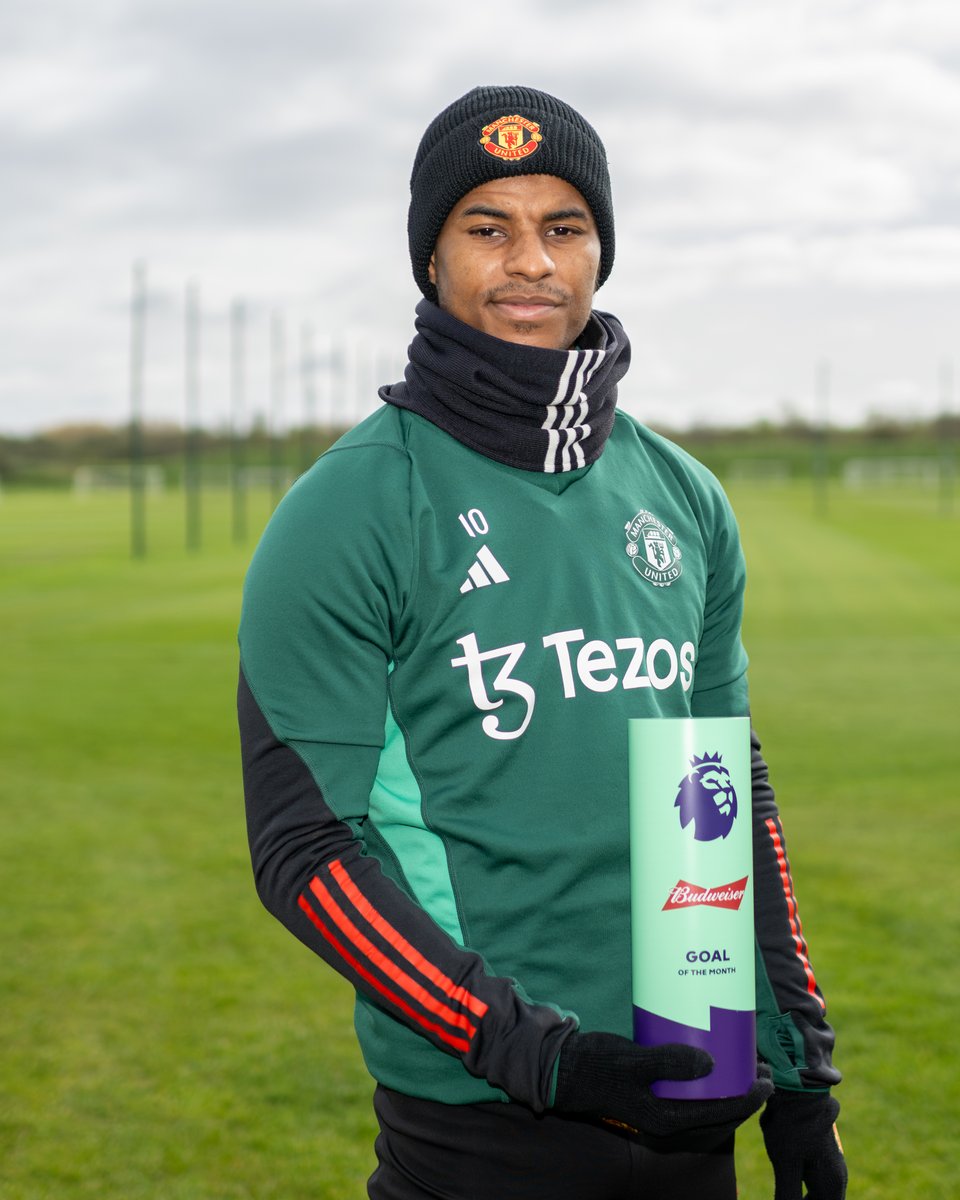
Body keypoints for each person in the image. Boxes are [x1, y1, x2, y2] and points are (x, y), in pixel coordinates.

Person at [238, 85, 846, 1200]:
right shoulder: (354, 506)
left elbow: (724, 782)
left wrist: (798, 1060)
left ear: (599, 252)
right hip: (482, 1116)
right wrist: (537, 1052)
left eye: (563, 227)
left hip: (688, 1091)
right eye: (488, 228)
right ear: (431, 260)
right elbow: (304, 849)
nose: (531, 262)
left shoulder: (685, 496)